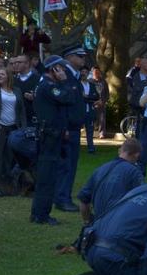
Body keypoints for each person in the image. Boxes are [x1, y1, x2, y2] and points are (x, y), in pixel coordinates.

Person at [30, 55, 74, 225]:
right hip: (50, 136)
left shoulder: (47, 85)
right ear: (53, 69)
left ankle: (38, 213)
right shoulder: (49, 86)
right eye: (61, 68)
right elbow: (68, 98)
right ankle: (41, 215)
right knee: (47, 178)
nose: (63, 71)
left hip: (51, 135)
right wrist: (64, 82)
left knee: (46, 176)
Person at [54, 44, 88, 212]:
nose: (83, 59)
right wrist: (64, 127)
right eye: (80, 56)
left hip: (73, 127)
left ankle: (63, 196)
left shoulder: (73, 76)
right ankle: (62, 198)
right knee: (66, 165)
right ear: (69, 57)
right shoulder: (64, 75)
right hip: (67, 128)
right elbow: (62, 103)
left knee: (70, 164)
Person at [78, 138, 143, 222]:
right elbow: (140, 202)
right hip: (119, 223)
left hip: (99, 223)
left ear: (120, 151)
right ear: (137, 155)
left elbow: (83, 200)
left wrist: (89, 221)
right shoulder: (134, 173)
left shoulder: (100, 169)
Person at [13, 54, 41, 125]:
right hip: (17, 120)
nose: (16, 64)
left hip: (33, 120)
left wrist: (35, 98)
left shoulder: (38, 79)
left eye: (19, 62)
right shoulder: (13, 80)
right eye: (15, 62)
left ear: (27, 64)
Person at [79, 65, 99, 154]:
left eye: (85, 72)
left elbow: (96, 96)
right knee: (77, 130)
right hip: (80, 110)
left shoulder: (91, 85)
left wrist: (87, 97)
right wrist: (89, 98)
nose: (84, 74)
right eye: (82, 72)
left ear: (88, 74)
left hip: (90, 110)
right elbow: (79, 97)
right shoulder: (78, 85)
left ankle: (91, 147)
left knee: (90, 130)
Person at [90, 67, 109, 139]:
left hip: (101, 103)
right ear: (92, 73)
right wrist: (93, 101)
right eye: (95, 72)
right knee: (91, 119)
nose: (96, 73)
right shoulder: (90, 81)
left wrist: (103, 101)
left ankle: (102, 133)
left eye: (98, 72)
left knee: (102, 119)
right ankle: (91, 132)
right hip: (92, 103)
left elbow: (107, 93)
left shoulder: (103, 82)